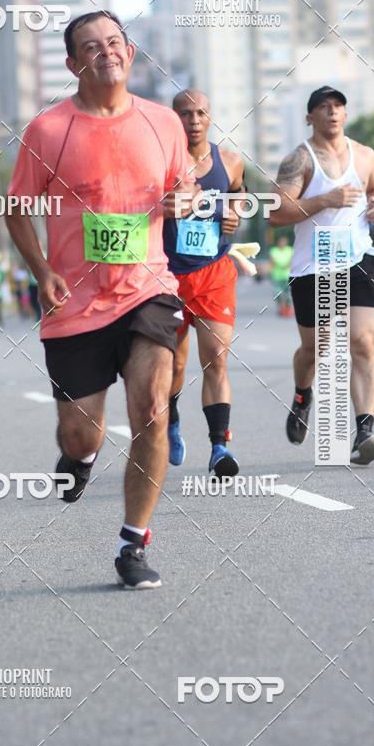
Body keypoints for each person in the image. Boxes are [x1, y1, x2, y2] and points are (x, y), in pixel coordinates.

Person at [6, 10, 195, 589]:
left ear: (130, 53)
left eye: (114, 42)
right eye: (91, 46)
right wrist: (41, 272)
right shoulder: (47, 130)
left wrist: (184, 203)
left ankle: (133, 544)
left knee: (151, 410)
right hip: (76, 302)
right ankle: (80, 458)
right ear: (73, 64)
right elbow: (17, 209)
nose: (105, 51)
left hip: (149, 290)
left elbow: (183, 186)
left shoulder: (164, 123)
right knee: (81, 431)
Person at [270, 86, 374, 464]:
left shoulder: (365, 155)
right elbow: (275, 213)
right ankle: (303, 395)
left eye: (338, 106)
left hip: (358, 260)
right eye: (323, 107)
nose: (332, 112)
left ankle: (364, 431)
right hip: (313, 266)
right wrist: (325, 200)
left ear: (346, 114)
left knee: (363, 341)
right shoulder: (298, 161)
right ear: (310, 117)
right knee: (315, 350)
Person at [162, 89, 243, 478]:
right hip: (167, 275)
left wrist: (234, 214)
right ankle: (172, 416)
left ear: (210, 117)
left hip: (214, 272)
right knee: (174, 365)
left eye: (200, 113)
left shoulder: (229, 160)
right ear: (173, 119)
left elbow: (239, 196)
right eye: (185, 114)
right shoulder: (161, 162)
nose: (193, 120)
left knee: (217, 359)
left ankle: (219, 448)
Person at [269, 234, 294, 317]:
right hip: (277, 276)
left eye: (283, 241)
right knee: (277, 293)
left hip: (287, 276)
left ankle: (288, 308)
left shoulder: (290, 250)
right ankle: (281, 307)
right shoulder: (273, 250)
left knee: (288, 295)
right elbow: (272, 262)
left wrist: (287, 265)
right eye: (280, 241)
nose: (282, 243)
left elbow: (292, 261)